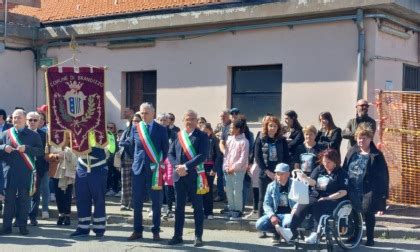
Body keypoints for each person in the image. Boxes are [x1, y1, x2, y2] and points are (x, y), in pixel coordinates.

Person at [278, 149, 349, 244]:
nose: (326, 164)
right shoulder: (320, 169)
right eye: (324, 162)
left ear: (335, 161)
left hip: (333, 199)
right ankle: (291, 231)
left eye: (328, 162)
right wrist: (305, 178)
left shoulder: (341, 173)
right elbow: (313, 182)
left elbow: (343, 191)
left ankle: (316, 233)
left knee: (319, 204)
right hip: (316, 195)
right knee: (303, 203)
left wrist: (328, 198)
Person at [125, 103, 169, 241]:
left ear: (153, 114)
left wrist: (158, 164)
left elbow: (165, 149)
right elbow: (132, 147)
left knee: (156, 202)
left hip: (154, 170)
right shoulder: (136, 128)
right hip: (138, 170)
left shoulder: (161, 129)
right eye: (142, 113)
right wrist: (138, 160)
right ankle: (137, 230)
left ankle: (156, 230)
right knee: (137, 202)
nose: (143, 116)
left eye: (146, 113)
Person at [167, 110, 209, 247]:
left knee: (197, 208)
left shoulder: (202, 136)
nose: (189, 121)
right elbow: (170, 153)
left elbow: (203, 155)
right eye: (187, 119)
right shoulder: (178, 135)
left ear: (197, 121)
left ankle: (198, 236)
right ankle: (177, 235)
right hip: (179, 177)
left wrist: (185, 167)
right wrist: (177, 167)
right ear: (183, 120)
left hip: (195, 177)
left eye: (192, 119)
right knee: (179, 208)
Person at [342, 126, 389, 246]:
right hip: (352, 189)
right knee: (354, 214)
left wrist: (383, 195)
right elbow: (344, 168)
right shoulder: (352, 151)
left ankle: (370, 238)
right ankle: (355, 237)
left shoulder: (377, 155)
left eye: (364, 138)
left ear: (370, 139)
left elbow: (383, 176)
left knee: (368, 214)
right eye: (359, 138)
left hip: (368, 190)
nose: (361, 141)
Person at [0, 109, 43, 236]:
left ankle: (22, 226)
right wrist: (3, 147)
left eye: (19, 117)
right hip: (9, 174)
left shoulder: (34, 135)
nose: (16, 120)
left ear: (25, 119)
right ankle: (6, 227)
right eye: (14, 118)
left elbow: (40, 151)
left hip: (25, 174)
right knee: (9, 202)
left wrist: (27, 149)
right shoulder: (5, 134)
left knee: (24, 201)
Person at [254, 116, 290, 223]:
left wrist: (283, 173)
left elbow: (286, 157)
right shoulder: (261, 138)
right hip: (265, 173)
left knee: (278, 199)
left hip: (280, 174)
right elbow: (257, 156)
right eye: (270, 126)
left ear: (278, 127)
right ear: (266, 126)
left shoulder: (282, 140)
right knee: (263, 199)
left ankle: (277, 227)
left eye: (275, 126)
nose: (272, 128)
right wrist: (266, 171)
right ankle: (262, 225)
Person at [70, 142, 109, 238]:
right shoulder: (78, 129)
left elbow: (111, 148)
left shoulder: (103, 131)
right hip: (82, 167)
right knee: (82, 199)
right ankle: (83, 228)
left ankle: (99, 228)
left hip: (98, 167)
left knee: (99, 199)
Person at [255, 163, 295, 244]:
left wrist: (295, 210)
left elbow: (300, 202)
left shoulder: (295, 185)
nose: (279, 176)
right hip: (276, 214)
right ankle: (277, 233)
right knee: (259, 224)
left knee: (287, 223)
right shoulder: (271, 186)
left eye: (282, 174)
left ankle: (289, 235)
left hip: (289, 214)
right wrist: (272, 215)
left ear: (288, 174)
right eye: (277, 173)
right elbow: (266, 203)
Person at [45, 134, 77, 226]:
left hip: (68, 168)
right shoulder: (49, 136)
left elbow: (76, 149)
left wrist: (67, 153)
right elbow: (46, 156)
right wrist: (56, 156)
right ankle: (61, 214)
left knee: (67, 193)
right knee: (58, 194)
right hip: (55, 169)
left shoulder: (69, 134)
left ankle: (67, 215)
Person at [26, 111, 50, 225]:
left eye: (35, 120)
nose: (32, 122)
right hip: (23, 168)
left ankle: (33, 217)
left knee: (36, 195)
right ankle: (21, 217)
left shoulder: (44, 135)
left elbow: (47, 152)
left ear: (39, 121)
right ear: (26, 121)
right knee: (22, 194)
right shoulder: (21, 133)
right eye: (30, 120)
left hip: (39, 168)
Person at [223, 119, 249, 221]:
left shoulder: (244, 141)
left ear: (238, 129)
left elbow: (243, 158)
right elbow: (226, 155)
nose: (230, 129)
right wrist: (226, 166)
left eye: (232, 127)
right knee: (229, 190)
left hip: (238, 170)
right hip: (228, 169)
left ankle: (238, 210)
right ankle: (231, 208)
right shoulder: (229, 139)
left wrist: (234, 168)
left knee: (237, 190)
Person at [118, 114, 140, 211]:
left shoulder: (143, 132)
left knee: (135, 183)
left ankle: (133, 204)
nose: (136, 123)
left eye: (138, 121)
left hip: (138, 160)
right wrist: (129, 142)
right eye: (134, 121)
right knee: (125, 182)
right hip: (126, 158)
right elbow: (120, 142)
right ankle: (124, 203)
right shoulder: (127, 130)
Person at [213, 109, 231, 202]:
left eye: (224, 116)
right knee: (219, 175)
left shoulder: (232, 126)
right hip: (219, 153)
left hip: (229, 154)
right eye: (221, 116)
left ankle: (229, 196)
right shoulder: (219, 125)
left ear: (228, 116)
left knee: (228, 176)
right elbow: (212, 134)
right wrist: (216, 135)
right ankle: (220, 195)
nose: (222, 118)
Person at [105, 122, 120, 197]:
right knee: (107, 175)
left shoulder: (115, 136)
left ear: (114, 129)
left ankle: (114, 189)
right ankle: (108, 188)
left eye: (111, 128)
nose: (109, 129)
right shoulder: (103, 136)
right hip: (105, 159)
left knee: (114, 175)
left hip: (114, 158)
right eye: (108, 127)